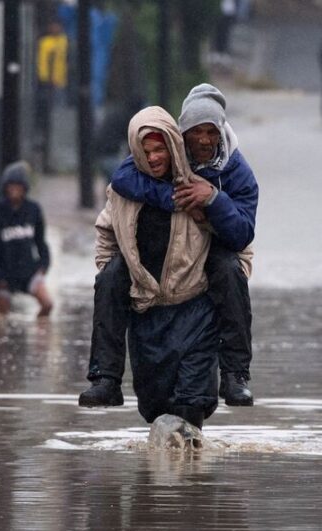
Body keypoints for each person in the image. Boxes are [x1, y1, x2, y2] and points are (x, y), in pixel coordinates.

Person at [81, 83, 257, 408]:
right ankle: (105, 377)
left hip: (208, 260)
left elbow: (242, 234)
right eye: (195, 132)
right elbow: (122, 179)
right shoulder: (164, 152)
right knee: (109, 279)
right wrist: (174, 198)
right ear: (181, 134)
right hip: (154, 276)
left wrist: (213, 199)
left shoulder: (237, 171)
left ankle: (235, 375)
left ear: (220, 131)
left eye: (211, 132)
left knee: (229, 271)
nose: (204, 140)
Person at [88, 106, 221, 429]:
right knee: (155, 407)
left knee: (191, 405)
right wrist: (113, 276)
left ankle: (235, 376)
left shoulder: (202, 184)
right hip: (147, 308)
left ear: (173, 146)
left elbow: (237, 239)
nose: (154, 158)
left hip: (195, 308)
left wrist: (210, 206)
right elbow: (106, 232)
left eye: (160, 149)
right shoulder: (124, 190)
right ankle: (105, 379)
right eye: (145, 151)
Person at [0, 161, 54, 316]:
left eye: (18, 186)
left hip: (28, 271)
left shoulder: (33, 210)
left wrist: (43, 266)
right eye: (11, 186)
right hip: (3, 274)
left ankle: (39, 334)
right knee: (2, 319)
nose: (14, 190)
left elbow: (41, 242)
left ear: (24, 188)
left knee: (48, 304)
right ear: (5, 188)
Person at [36, 21, 68, 173]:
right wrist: (45, 79)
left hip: (60, 81)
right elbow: (43, 62)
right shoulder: (46, 43)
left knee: (58, 112)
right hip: (49, 83)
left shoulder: (62, 41)